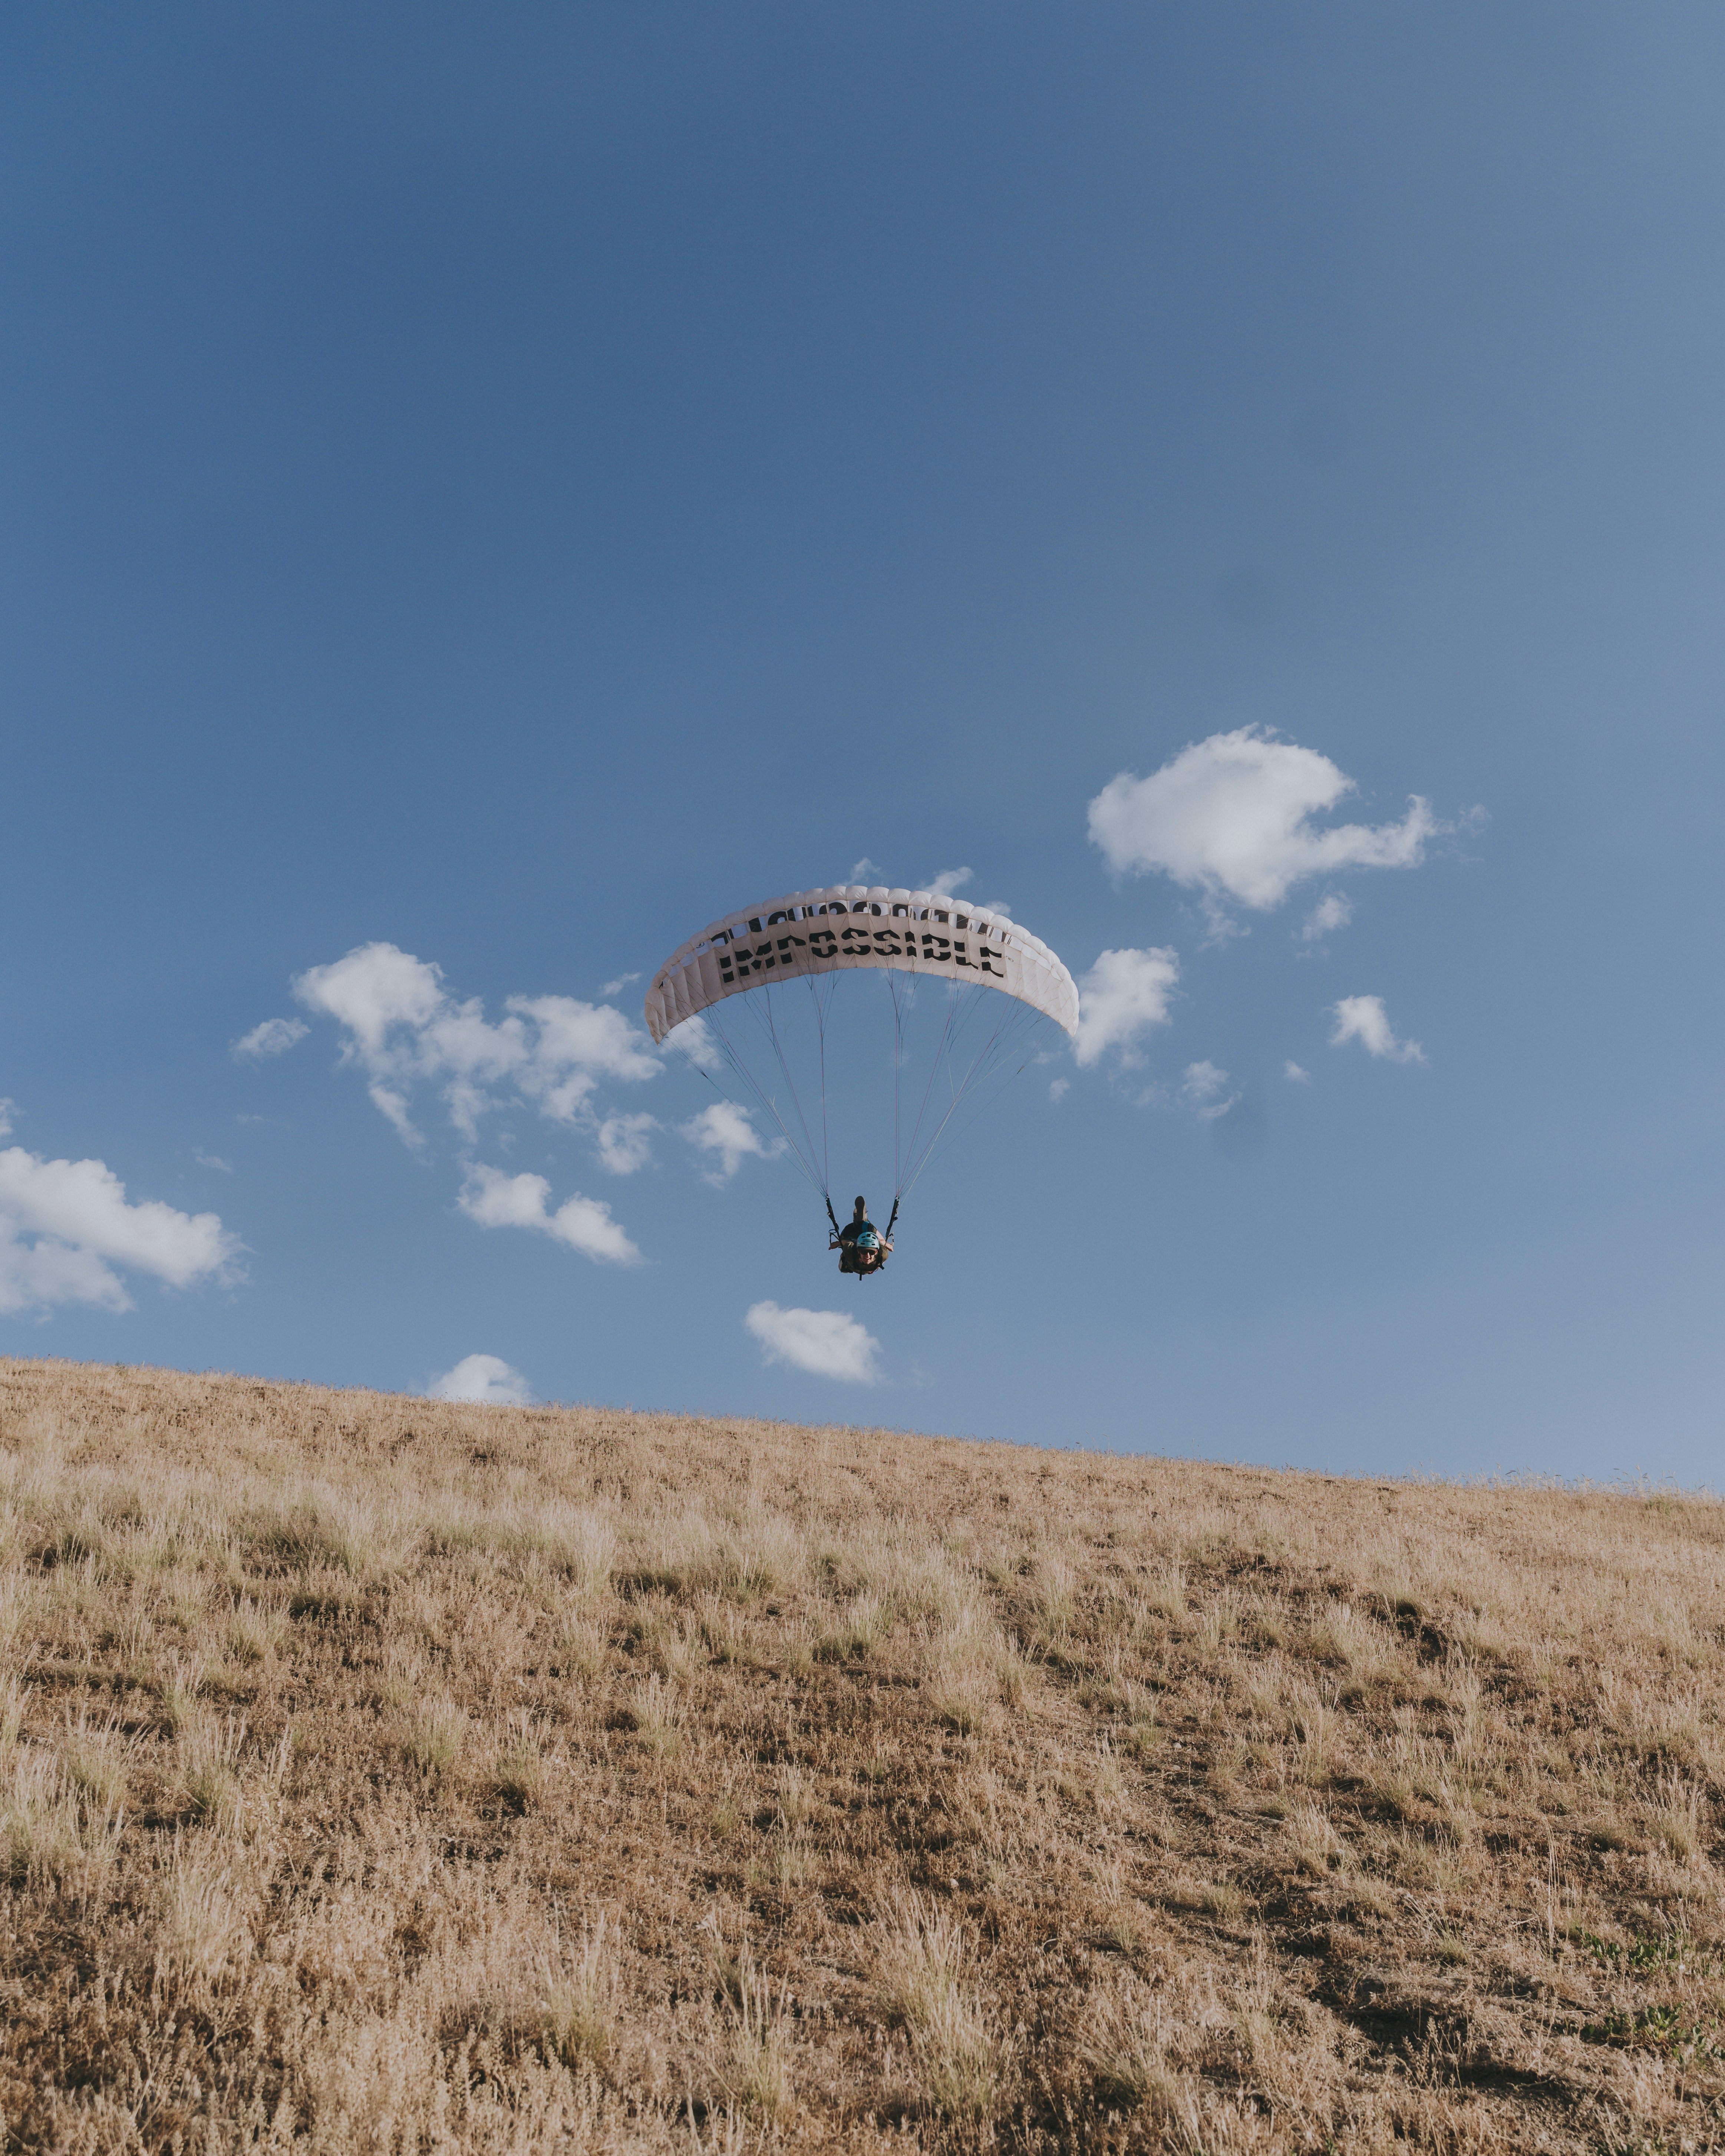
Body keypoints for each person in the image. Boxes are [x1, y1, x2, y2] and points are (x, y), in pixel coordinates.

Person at [832, 1195, 891, 1275]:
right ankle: (863, 1222)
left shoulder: (850, 1253)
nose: (868, 1255)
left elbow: (846, 1243)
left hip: (851, 1237)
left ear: (876, 1252)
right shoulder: (883, 1255)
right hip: (868, 1234)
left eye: (871, 1252)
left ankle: (861, 1222)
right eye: (864, 1251)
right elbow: (881, 1242)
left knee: (843, 1269)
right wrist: (887, 1244)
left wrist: (838, 1243)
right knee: (875, 1237)